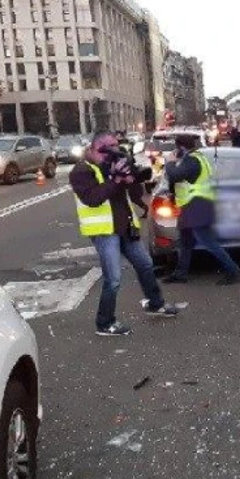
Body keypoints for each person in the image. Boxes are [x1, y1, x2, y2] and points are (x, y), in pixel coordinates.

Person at [70, 134, 178, 337]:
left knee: (145, 265)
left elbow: (135, 188)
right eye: (106, 148)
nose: (112, 151)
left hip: (125, 226)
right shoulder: (82, 171)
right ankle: (105, 323)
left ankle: (156, 304)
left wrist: (131, 178)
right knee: (113, 279)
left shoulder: (116, 163)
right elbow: (93, 199)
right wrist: (115, 179)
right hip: (104, 231)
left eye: (115, 146)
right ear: (93, 149)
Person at [162, 135, 240, 285]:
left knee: (208, 241)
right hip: (192, 206)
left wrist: (170, 162)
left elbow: (175, 175)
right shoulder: (197, 158)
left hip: (196, 206)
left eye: (176, 148)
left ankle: (233, 270)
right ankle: (180, 273)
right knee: (185, 241)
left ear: (181, 147)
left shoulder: (192, 160)